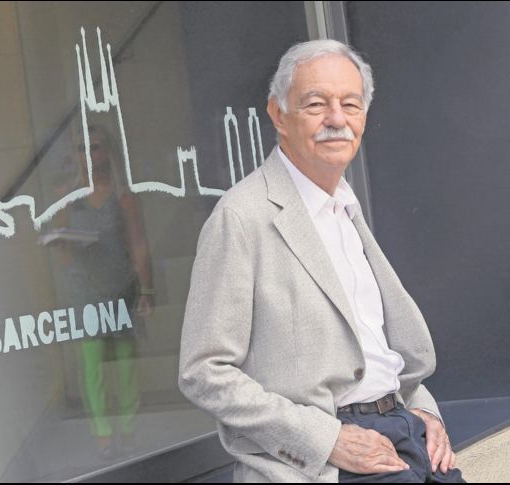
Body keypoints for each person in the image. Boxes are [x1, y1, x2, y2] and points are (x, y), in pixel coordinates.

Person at [178, 40, 464, 483]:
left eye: (350, 104)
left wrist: (425, 412)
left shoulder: (347, 209)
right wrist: (326, 440)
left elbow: (378, 348)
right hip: (328, 459)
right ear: (278, 114)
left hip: (404, 434)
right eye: (316, 104)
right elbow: (204, 372)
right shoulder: (242, 217)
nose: (337, 119)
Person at [49, 124, 155, 459]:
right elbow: (58, 242)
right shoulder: (67, 195)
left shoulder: (123, 195)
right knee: (91, 363)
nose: (89, 154)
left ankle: (128, 428)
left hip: (120, 284)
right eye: (82, 148)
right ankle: (103, 435)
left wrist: (147, 288)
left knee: (125, 363)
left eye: (95, 147)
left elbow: (138, 243)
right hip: (84, 288)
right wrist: (65, 243)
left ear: (108, 151)